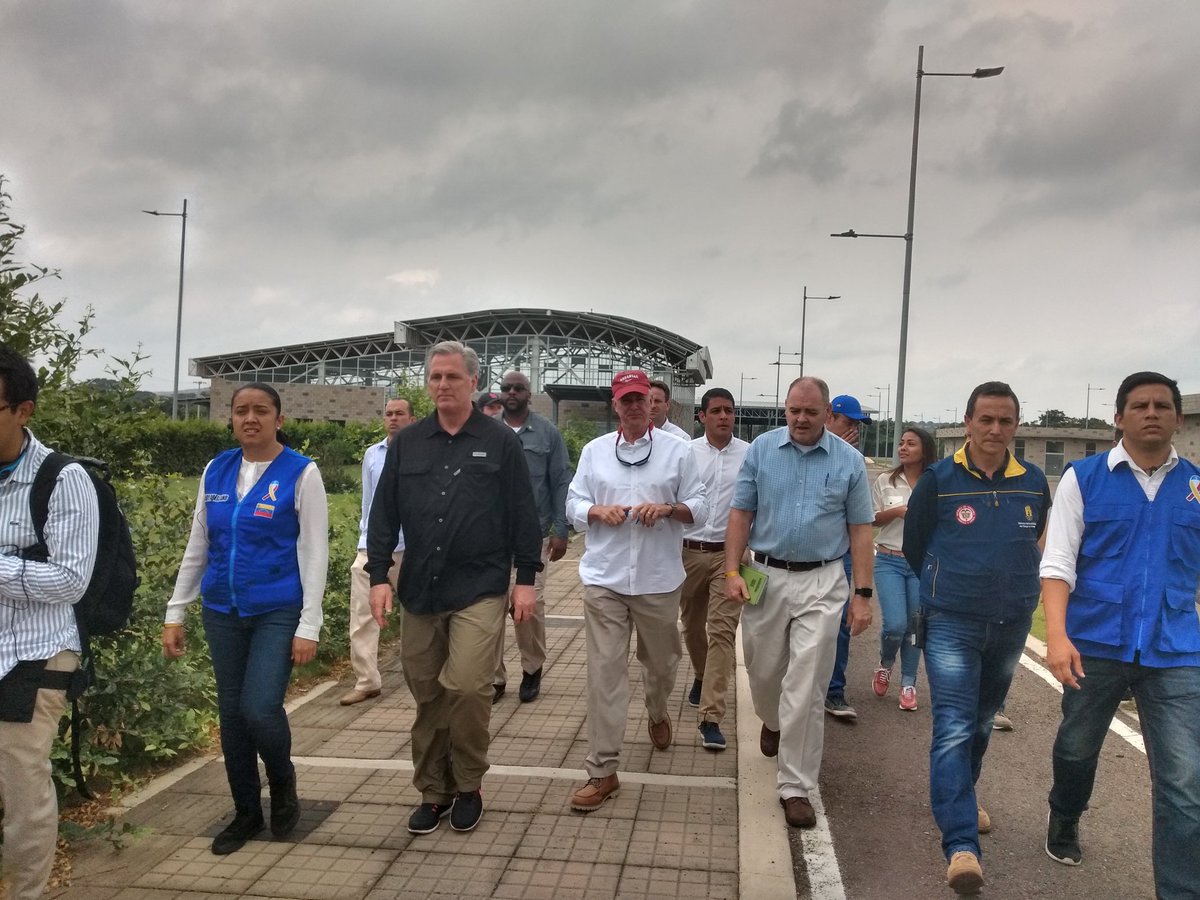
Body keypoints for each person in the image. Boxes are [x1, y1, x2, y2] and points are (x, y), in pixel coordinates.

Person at [367, 341, 542, 836]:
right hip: (420, 589)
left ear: (472, 382)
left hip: (479, 586)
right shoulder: (407, 442)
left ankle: (469, 785)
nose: (442, 385)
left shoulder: (499, 441)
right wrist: (379, 577)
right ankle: (433, 791)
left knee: (466, 686)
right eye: (435, 378)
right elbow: (383, 516)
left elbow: (522, 515)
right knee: (427, 693)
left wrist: (524, 581)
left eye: (451, 377)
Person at [1041, 371, 1200, 898]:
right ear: (1119, 417)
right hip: (1095, 645)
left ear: (1177, 417)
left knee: (1184, 783)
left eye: (1162, 405)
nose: (1151, 412)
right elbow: (1059, 563)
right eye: (1139, 405)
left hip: (1175, 649)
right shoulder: (1082, 478)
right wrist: (1058, 637)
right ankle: (1065, 814)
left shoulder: (1197, 488)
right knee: (1076, 751)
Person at [163, 383, 329, 856]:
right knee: (232, 716)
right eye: (241, 411)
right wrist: (176, 612)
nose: (249, 418)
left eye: (261, 410)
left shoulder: (301, 472)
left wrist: (308, 624)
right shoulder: (217, 469)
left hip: (276, 609)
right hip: (222, 610)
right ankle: (245, 812)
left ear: (279, 418)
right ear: (231, 419)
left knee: (259, 708)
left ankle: (282, 781)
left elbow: (314, 552)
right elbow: (199, 545)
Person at [903, 381, 1050, 895]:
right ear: (966, 423)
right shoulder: (938, 481)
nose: (994, 430)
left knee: (983, 722)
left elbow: (1037, 542)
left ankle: (960, 793)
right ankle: (961, 845)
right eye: (985, 419)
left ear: (1015, 426)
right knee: (953, 726)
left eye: (1004, 421)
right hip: (951, 621)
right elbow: (916, 545)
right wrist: (945, 590)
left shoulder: (1033, 481)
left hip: (1011, 622)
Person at [725, 377, 874, 829]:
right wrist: (732, 570)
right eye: (794, 411)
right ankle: (771, 721)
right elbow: (740, 514)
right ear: (784, 410)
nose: (801, 419)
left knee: (807, 685)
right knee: (764, 672)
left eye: (811, 412)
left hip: (824, 580)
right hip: (765, 577)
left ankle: (795, 786)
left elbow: (861, 530)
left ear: (828, 414)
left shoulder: (849, 463)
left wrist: (862, 595)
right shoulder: (762, 451)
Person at [566, 369, 707, 812]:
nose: (632, 406)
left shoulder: (678, 452)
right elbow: (572, 503)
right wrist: (595, 510)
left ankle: (657, 708)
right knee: (604, 673)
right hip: (604, 578)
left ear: (652, 402)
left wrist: (667, 509)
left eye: (639, 399)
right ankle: (602, 770)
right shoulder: (594, 453)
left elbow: (700, 508)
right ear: (615, 405)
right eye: (624, 400)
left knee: (662, 663)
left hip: (658, 580)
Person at [0, 344, 99, 900]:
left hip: (34, 656)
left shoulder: (63, 481)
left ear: (23, 411)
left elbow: (67, 581)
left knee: (22, 790)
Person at [491, 370, 572, 704]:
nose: (512, 392)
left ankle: (532, 668)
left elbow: (559, 482)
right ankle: (494, 678)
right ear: (500, 393)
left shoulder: (547, 434)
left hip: (533, 537)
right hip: (489, 540)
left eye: (519, 388)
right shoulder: (487, 431)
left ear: (529, 393)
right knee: (489, 609)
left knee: (529, 608)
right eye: (507, 388)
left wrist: (561, 530)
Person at [678, 387, 749, 751]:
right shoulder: (686, 454)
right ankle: (703, 674)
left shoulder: (749, 456)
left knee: (721, 632)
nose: (724, 416)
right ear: (702, 416)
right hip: (687, 552)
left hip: (729, 557)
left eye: (729, 410)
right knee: (691, 626)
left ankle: (711, 716)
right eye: (717, 410)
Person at [340, 397, 414, 706]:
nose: (393, 418)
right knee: (362, 616)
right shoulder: (372, 454)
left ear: (412, 418)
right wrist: (365, 540)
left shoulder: (422, 450)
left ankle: (422, 680)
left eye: (399, 414)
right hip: (372, 547)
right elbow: (368, 503)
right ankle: (367, 680)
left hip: (411, 547)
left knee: (417, 618)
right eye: (388, 414)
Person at [870, 426, 935, 711]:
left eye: (911, 444)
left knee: (915, 626)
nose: (903, 448)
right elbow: (871, 519)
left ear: (925, 449)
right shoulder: (885, 481)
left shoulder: (934, 481)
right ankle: (885, 663)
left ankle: (908, 682)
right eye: (901, 443)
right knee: (896, 624)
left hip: (920, 563)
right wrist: (896, 512)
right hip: (889, 561)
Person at [824, 393, 873, 722]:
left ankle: (833, 690)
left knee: (840, 625)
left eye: (857, 424)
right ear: (829, 417)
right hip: (802, 560)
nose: (853, 429)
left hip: (839, 554)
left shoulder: (853, 460)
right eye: (848, 422)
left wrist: (863, 591)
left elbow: (861, 522)